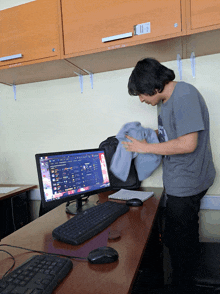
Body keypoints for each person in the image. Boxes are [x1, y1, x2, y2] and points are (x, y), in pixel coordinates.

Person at [122, 58, 216, 288]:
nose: (142, 100)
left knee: (181, 246)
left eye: (142, 94)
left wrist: (144, 148)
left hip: (188, 183)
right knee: (175, 239)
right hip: (179, 180)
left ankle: (184, 286)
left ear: (155, 86)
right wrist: (150, 135)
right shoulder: (166, 100)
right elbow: (172, 132)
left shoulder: (184, 96)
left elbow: (187, 144)